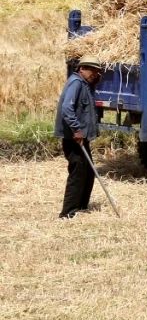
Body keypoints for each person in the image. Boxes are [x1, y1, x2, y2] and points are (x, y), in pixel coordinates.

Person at [54, 58, 104, 219]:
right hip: (73, 138)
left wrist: (94, 84)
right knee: (77, 172)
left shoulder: (85, 84)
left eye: (97, 72)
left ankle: (82, 206)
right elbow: (67, 109)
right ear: (82, 69)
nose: (94, 74)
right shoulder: (75, 83)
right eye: (92, 71)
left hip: (82, 137)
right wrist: (76, 129)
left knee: (88, 172)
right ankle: (67, 212)